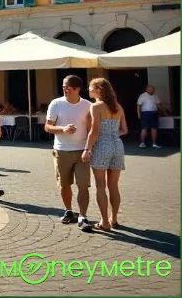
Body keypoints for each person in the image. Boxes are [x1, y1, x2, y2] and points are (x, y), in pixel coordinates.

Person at [45, 75, 94, 232]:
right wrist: (62, 129)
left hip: (82, 151)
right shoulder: (56, 104)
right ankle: (68, 210)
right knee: (64, 184)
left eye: (69, 87)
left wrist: (90, 147)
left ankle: (83, 216)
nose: (65, 89)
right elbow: (47, 127)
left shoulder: (87, 105)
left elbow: (92, 128)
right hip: (62, 150)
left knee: (83, 185)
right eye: (64, 87)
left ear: (78, 89)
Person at [83, 78, 128, 231]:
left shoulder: (96, 107)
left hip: (101, 145)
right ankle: (114, 219)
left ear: (98, 89)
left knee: (100, 185)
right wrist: (113, 135)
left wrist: (86, 149)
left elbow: (94, 132)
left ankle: (104, 222)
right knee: (114, 186)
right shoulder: (118, 106)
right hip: (117, 145)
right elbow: (125, 130)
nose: (88, 90)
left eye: (90, 87)